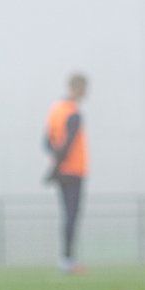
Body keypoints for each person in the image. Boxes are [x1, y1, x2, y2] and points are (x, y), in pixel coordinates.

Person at [43, 73, 89, 273]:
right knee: (72, 214)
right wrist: (57, 167)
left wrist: (54, 166)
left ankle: (66, 258)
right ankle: (68, 259)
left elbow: (46, 141)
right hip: (73, 170)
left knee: (67, 215)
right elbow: (68, 144)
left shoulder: (55, 110)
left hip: (61, 170)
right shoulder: (72, 112)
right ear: (77, 88)